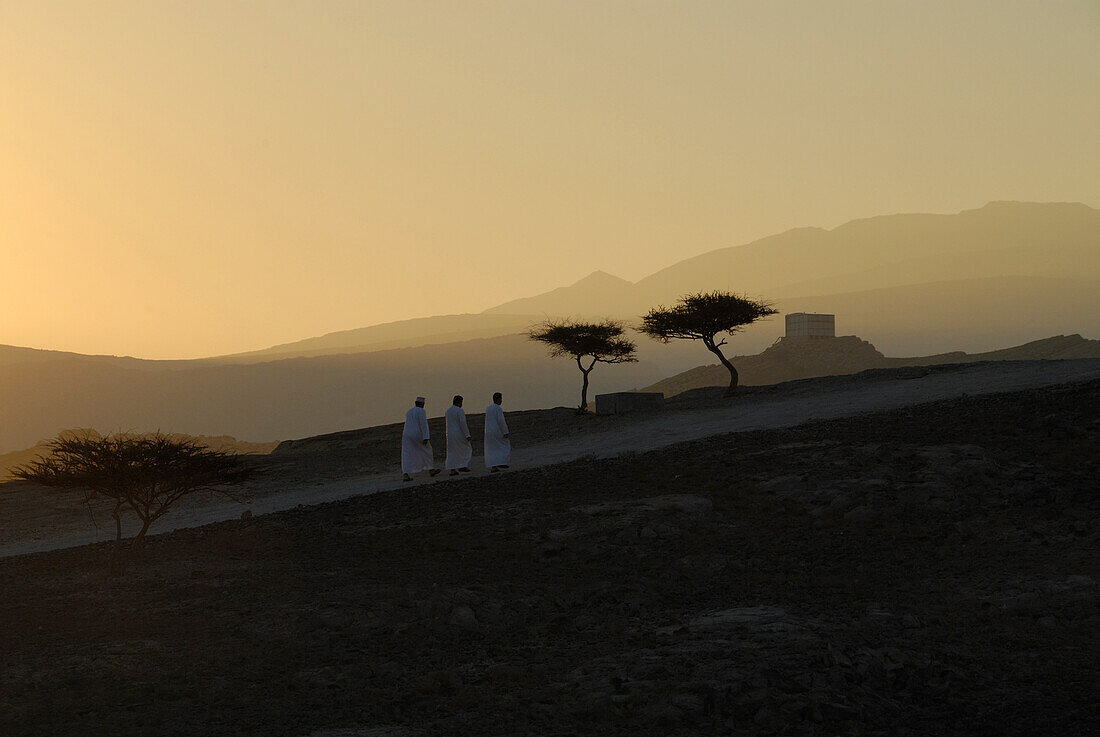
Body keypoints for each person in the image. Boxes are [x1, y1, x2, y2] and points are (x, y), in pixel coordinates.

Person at [402, 396, 440, 482]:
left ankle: (405, 475)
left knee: (406, 454)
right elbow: (423, 424)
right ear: (421, 404)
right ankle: (431, 470)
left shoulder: (409, 411)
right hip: (417, 434)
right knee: (427, 450)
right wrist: (426, 437)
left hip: (406, 435)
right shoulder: (421, 411)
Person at [444, 395, 473, 476]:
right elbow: (463, 423)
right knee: (466, 448)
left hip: (450, 434)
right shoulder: (460, 411)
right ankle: (463, 465)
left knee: (452, 451)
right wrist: (467, 435)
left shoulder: (448, 411)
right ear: (459, 402)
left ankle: (453, 469)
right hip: (459, 433)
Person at [484, 391, 511, 472]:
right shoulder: (498, 408)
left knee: (492, 449)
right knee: (504, 445)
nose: (501, 401)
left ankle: (495, 465)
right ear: (498, 399)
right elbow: (501, 420)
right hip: (497, 431)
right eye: (501, 399)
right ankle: (500, 462)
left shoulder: (488, 408)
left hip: (488, 432)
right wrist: (505, 431)